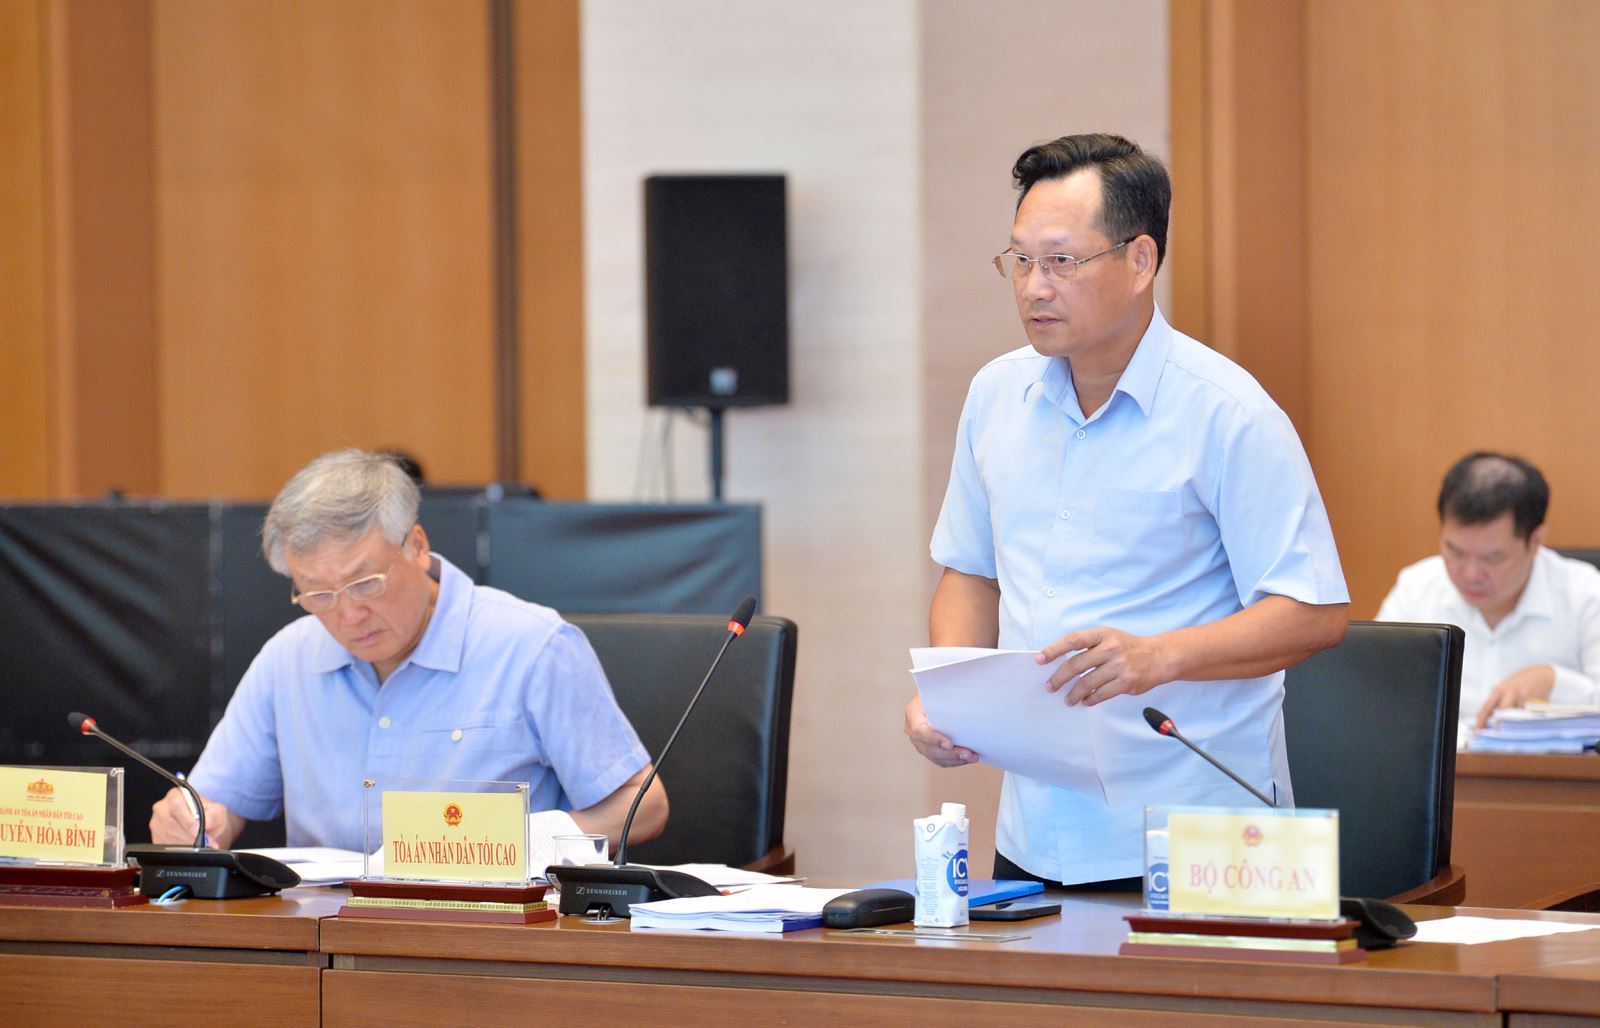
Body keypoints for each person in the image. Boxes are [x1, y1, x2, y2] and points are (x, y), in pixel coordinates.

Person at [903, 133, 1349, 888]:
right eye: (1020, 261)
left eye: (1061, 261)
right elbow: (971, 573)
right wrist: (951, 694)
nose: (1034, 288)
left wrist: (1158, 656)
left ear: (1141, 261)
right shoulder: (995, 396)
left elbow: (1314, 612)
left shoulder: (1227, 412)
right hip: (1036, 831)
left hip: (1204, 829)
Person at [149, 449, 666, 852]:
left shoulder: (532, 647)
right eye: (318, 595)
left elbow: (644, 807)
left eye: (365, 584)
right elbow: (216, 806)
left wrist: (517, 841)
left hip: (491, 933)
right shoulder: (289, 659)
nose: (348, 615)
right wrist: (193, 821)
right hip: (325, 936)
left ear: (416, 545)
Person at [1377, 452, 1600, 733]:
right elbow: (1373, 689)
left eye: (1492, 558)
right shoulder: (1416, 589)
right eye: (1455, 551)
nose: (1470, 574)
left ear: (1535, 541)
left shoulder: (1587, 595)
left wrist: (1555, 682)